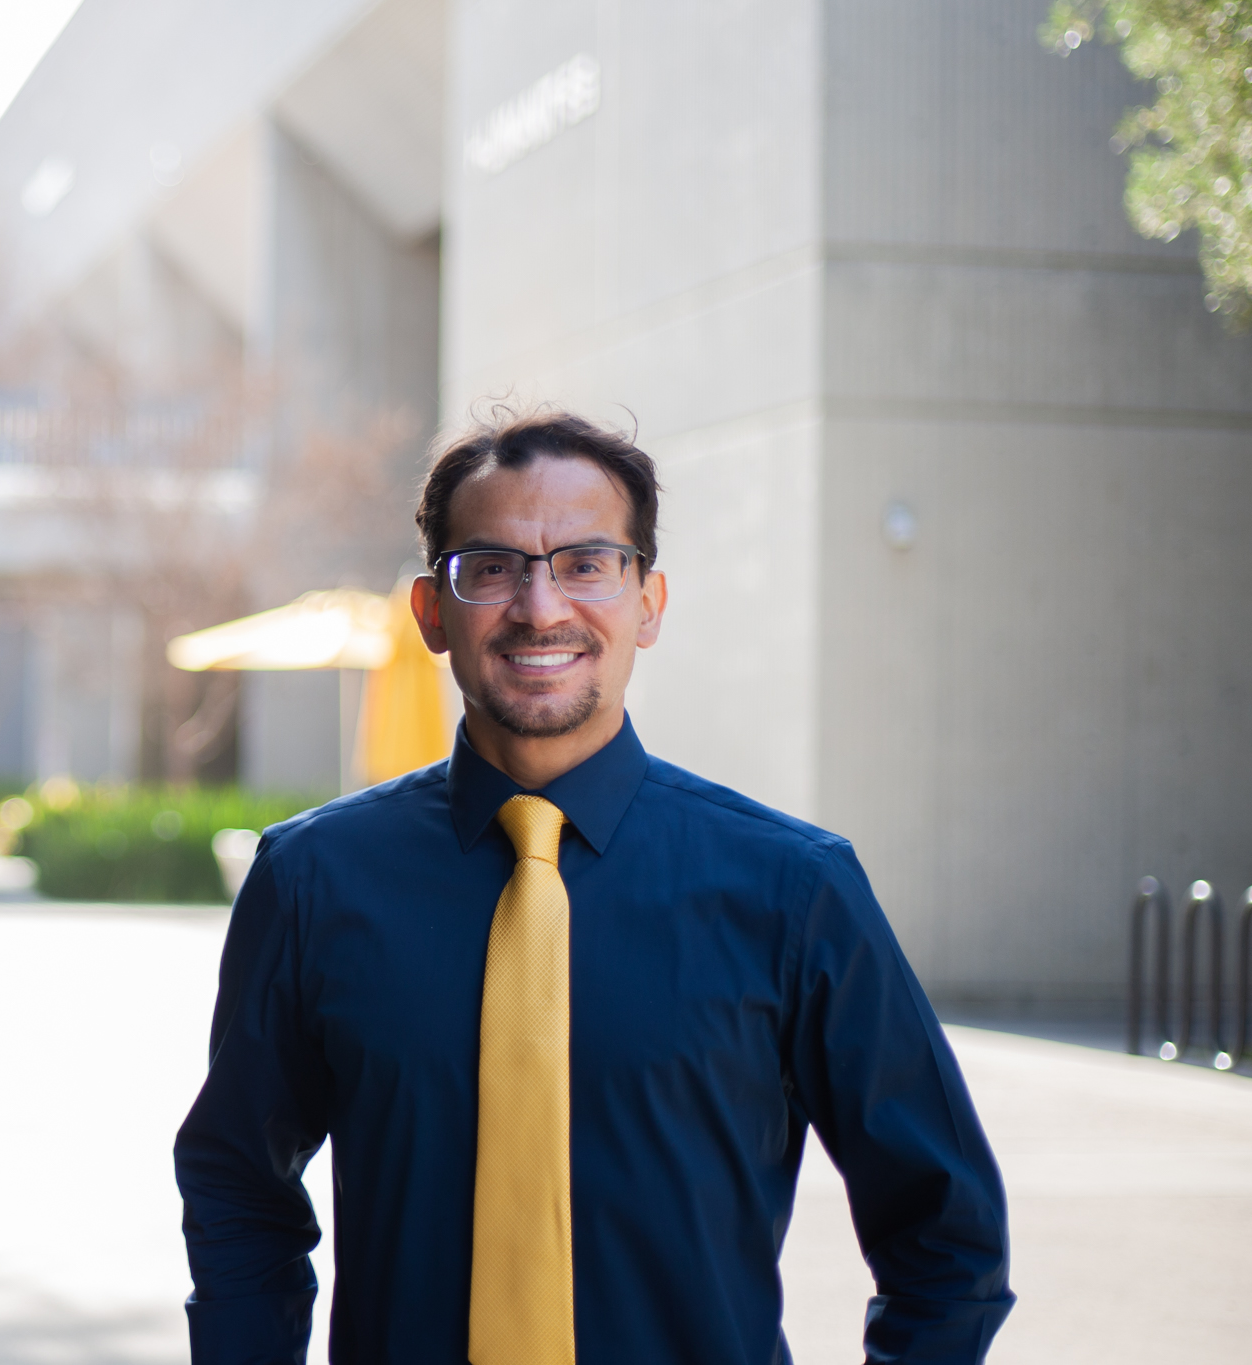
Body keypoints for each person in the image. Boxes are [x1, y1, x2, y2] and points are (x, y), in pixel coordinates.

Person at [173, 410, 1013, 1364]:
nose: (540, 607)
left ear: (647, 603)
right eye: (491, 567)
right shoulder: (313, 884)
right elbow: (238, 1184)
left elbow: (947, 1233)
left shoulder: (794, 891)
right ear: (431, 612)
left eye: (586, 563)